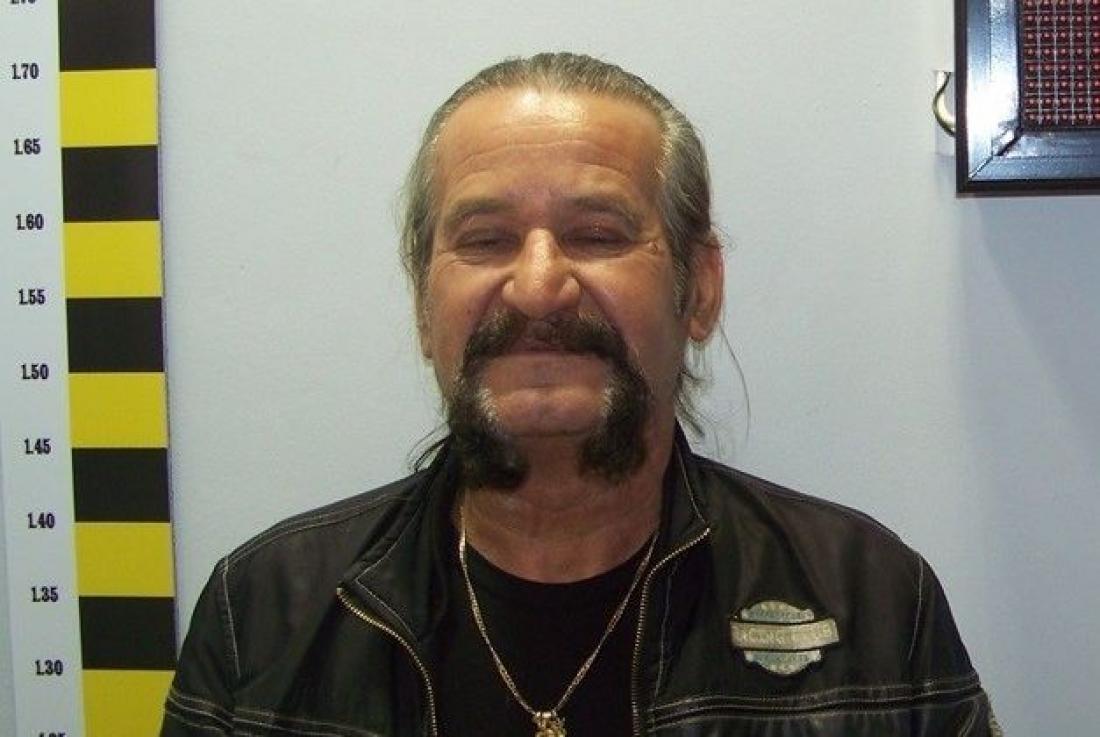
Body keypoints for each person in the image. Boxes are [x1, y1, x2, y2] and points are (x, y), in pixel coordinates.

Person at [162, 52, 997, 737]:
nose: (538, 287)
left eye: (597, 234)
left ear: (699, 289)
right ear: (422, 302)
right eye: (485, 239)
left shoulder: (873, 607)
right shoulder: (263, 617)